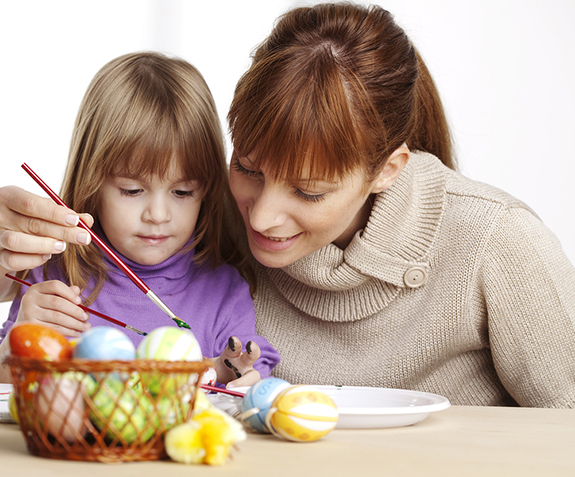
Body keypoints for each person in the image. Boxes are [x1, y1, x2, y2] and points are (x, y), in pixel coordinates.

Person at [225, 3, 574, 407]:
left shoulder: (496, 239)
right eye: (247, 168)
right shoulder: (203, 221)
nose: (262, 218)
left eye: (308, 191)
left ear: (387, 170)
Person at [0, 52, 279, 386]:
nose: (158, 216)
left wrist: (225, 371)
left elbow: (234, 378)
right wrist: (19, 343)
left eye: (183, 192)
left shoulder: (223, 291)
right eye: (132, 190)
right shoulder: (57, 275)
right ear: (92, 182)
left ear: (206, 189)